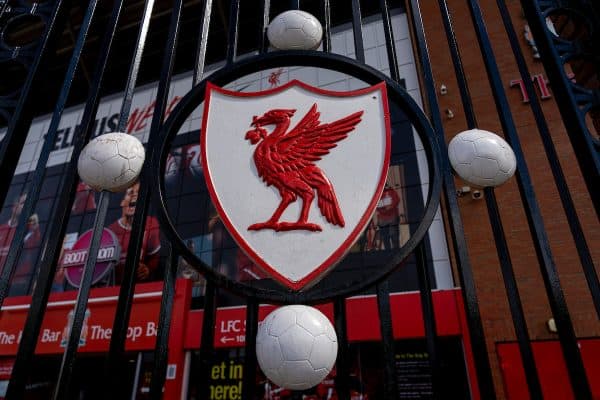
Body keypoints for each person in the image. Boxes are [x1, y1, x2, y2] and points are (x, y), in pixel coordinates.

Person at [107, 182, 161, 284]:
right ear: (122, 202)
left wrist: (147, 269)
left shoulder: (151, 223)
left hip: (138, 289)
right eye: (131, 192)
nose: (135, 195)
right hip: (113, 289)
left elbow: (155, 257)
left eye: (139, 193)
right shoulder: (110, 232)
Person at [0, 193, 41, 271]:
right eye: (23, 203)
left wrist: (34, 225)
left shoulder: (30, 229)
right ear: (14, 207)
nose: (26, 206)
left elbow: (34, 246)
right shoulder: (1, 230)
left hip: (20, 280)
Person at [375, 184, 400, 250]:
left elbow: (396, 201)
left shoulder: (392, 192)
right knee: (386, 238)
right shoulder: (378, 193)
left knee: (394, 236)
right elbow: (377, 206)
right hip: (384, 219)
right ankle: (389, 252)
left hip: (391, 218)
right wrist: (388, 208)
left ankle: (395, 251)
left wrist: (388, 207)